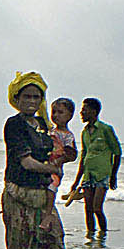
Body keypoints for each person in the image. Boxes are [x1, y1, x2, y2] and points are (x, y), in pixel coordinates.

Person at [0, 72, 73, 249]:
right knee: (21, 248)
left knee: (53, 242)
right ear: (18, 99)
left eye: (36, 97)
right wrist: (52, 169)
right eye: (27, 97)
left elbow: (62, 150)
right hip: (19, 194)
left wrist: (64, 157)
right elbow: (27, 163)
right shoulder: (14, 125)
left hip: (42, 196)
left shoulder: (44, 125)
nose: (32, 102)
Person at [66, 97, 122, 237]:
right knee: (88, 209)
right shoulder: (84, 132)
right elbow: (84, 157)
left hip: (102, 174)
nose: (81, 113)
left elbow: (117, 152)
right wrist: (76, 181)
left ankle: (103, 235)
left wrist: (113, 176)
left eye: (84, 110)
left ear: (94, 111)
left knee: (97, 208)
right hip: (88, 175)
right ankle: (90, 237)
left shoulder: (105, 129)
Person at [44, 97, 78, 229]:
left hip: (55, 168)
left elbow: (72, 155)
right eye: (54, 112)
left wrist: (58, 161)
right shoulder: (50, 130)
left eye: (60, 112)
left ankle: (48, 212)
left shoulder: (67, 135)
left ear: (69, 116)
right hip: (44, 164)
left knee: (52, 186)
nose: (56, 115)